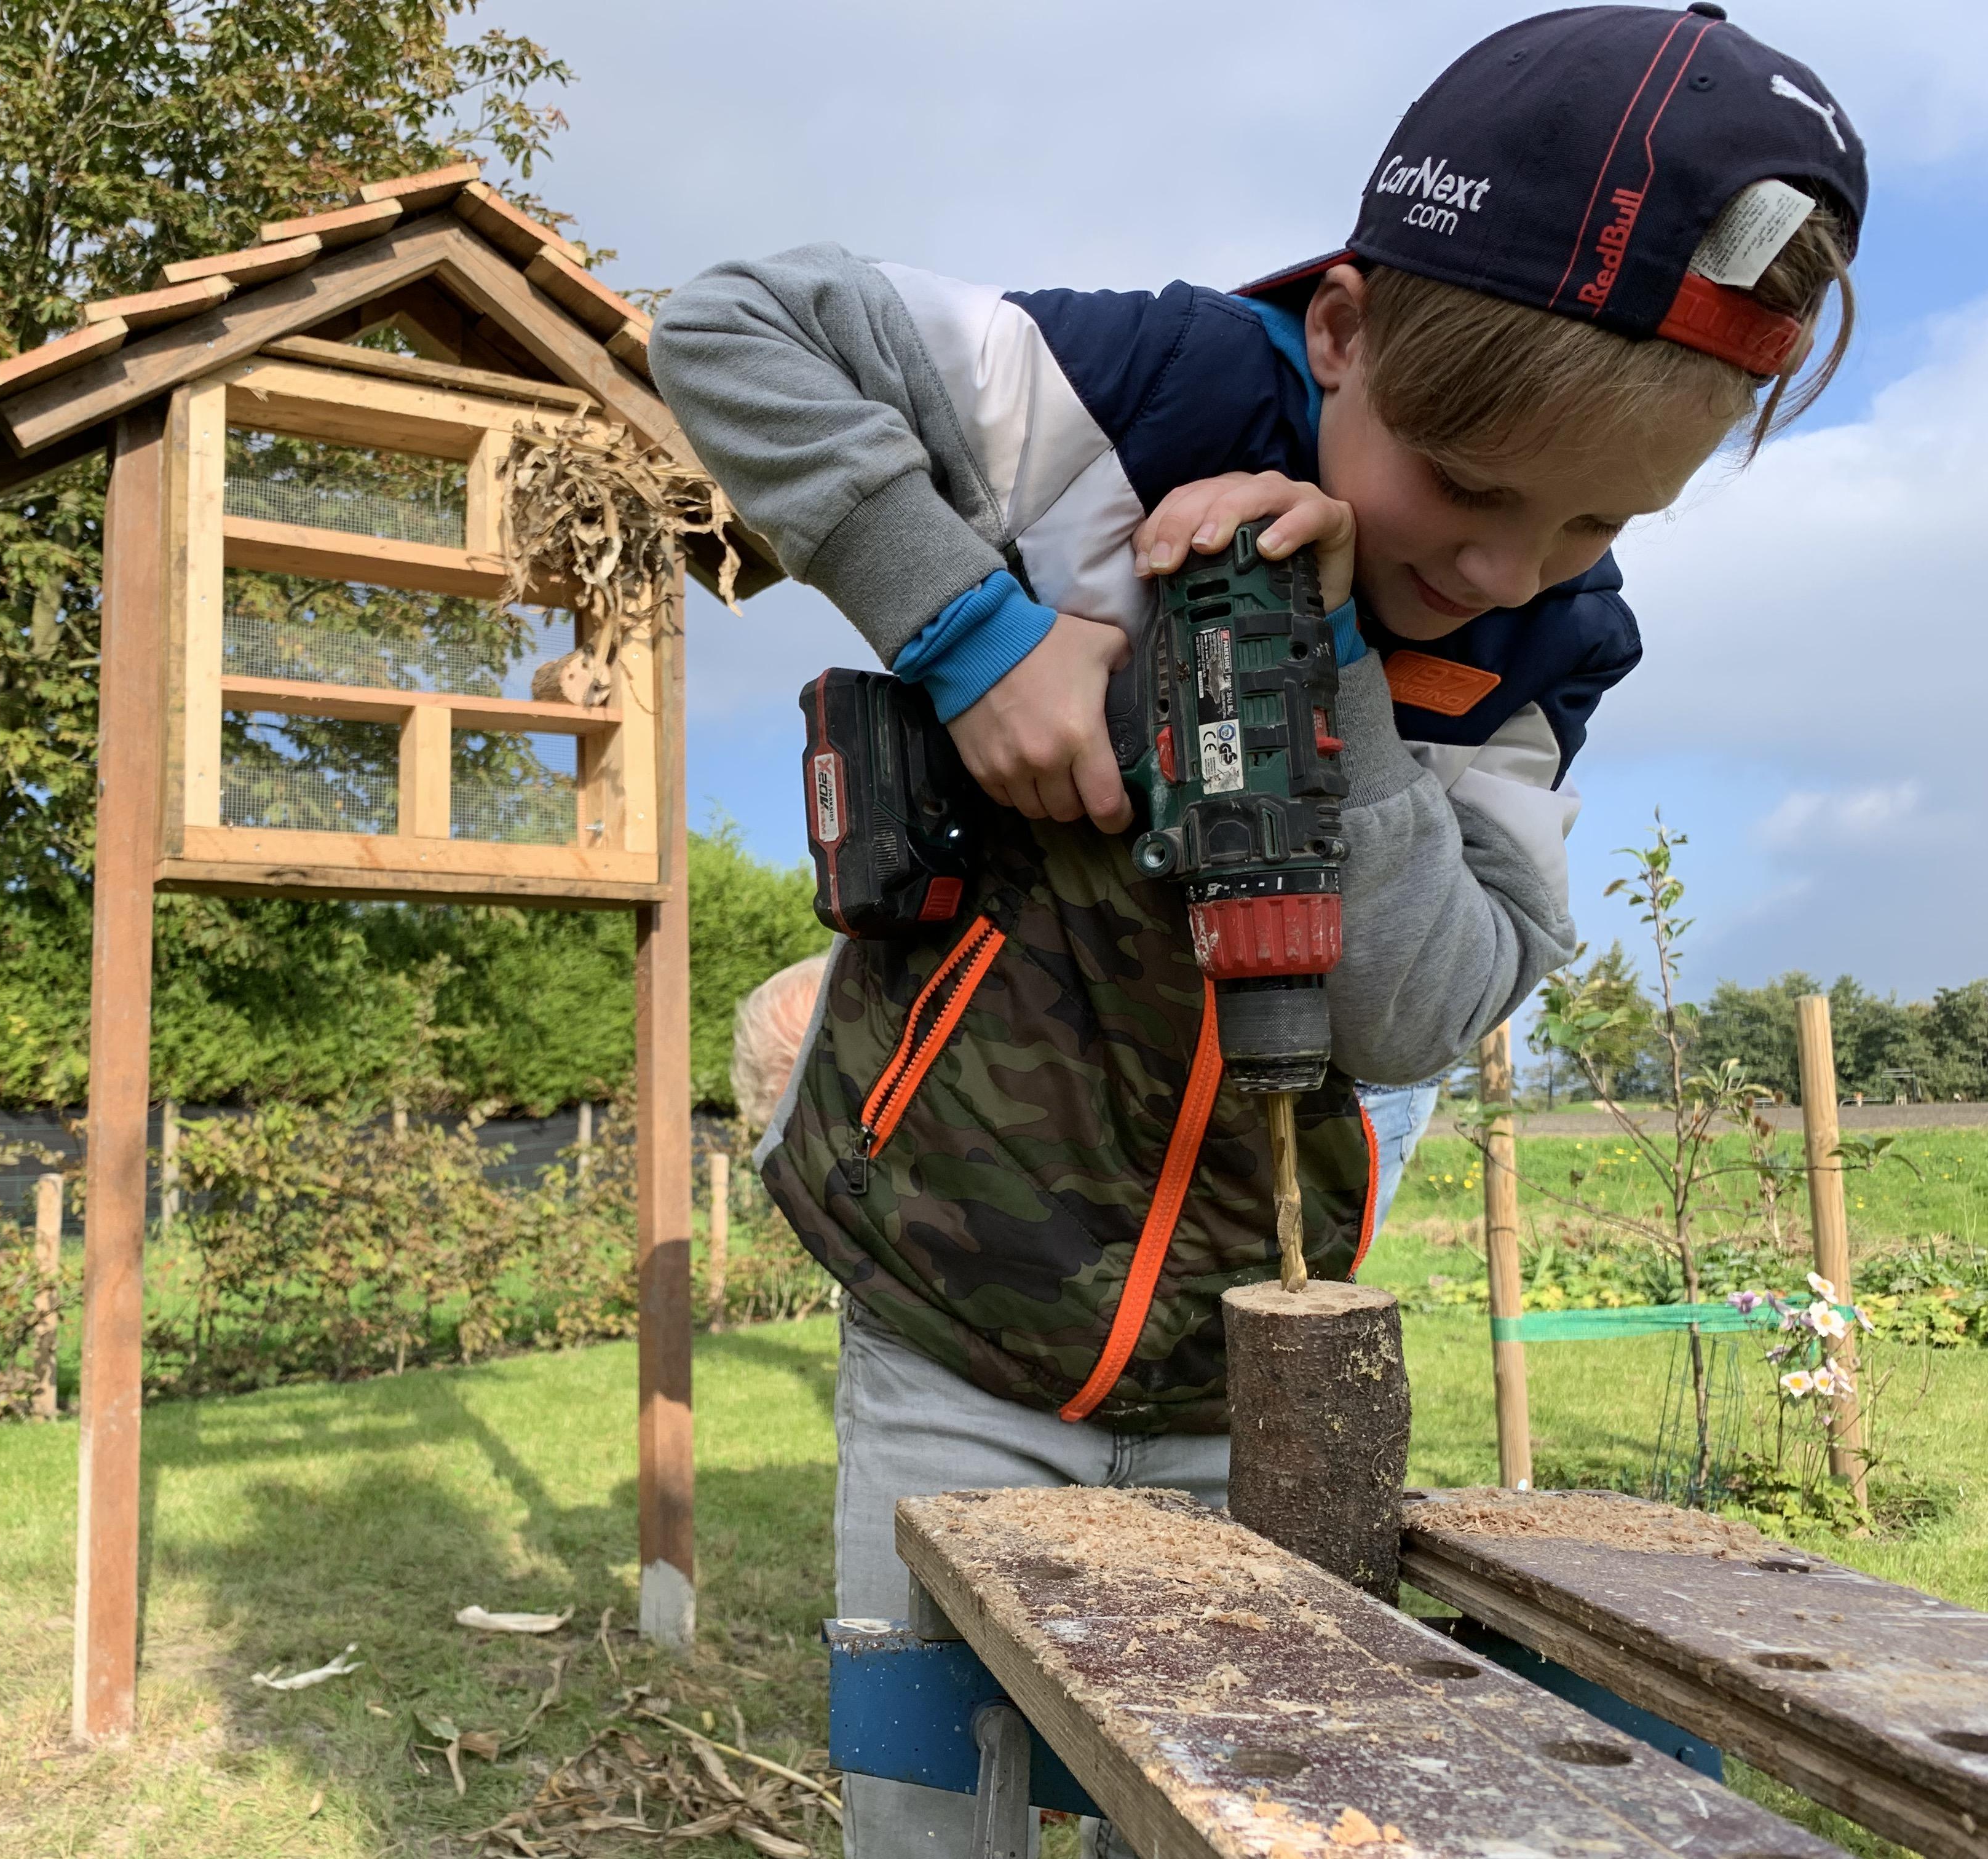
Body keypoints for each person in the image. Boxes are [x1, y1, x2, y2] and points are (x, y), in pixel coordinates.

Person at [652, 6, 1860, 1851]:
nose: (1503, 568)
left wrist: (1331, 663)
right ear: (1346, 329)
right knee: (924, 1793)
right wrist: (971, 630)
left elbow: (1427, 1004)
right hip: (951, 1312)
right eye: (1463, 484)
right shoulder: (1132, 394)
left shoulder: (1550, 648)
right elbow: (725, 325)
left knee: (1242, 1791)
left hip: (1264, 1379)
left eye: (1602, 518)